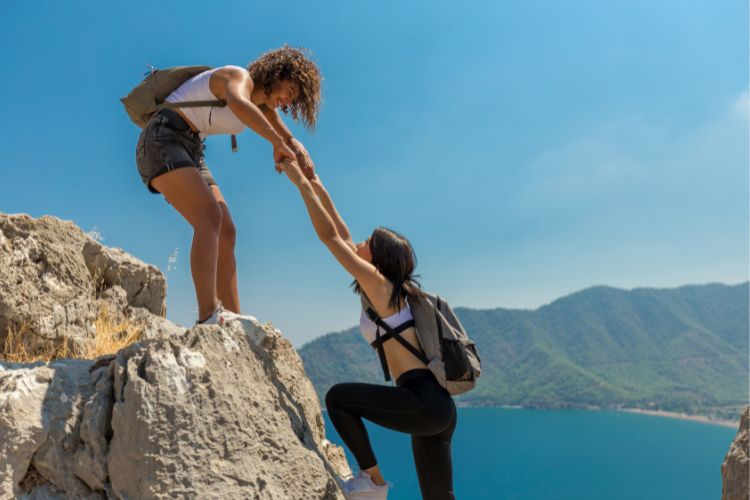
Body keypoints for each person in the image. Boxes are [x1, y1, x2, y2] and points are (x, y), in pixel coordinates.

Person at [278, 158, 458, 500]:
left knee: (338, 400)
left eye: (366, 243)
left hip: (422, 399)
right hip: (439, 407)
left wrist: (298, 183)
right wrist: (316, 181)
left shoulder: (381, 287)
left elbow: (331, 237)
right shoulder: (391, 293)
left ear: (376, 260)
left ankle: (373, 483)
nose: (356, 243)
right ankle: (373, 485)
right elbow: (342, 233)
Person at [135, 46, 322, 325]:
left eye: (292, 100)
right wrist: (277, 143)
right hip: (163, 137)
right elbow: (238, 103)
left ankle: (233, 319)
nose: (285, 102)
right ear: (276, 74)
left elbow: (284, 134)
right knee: (209, 216)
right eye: (289, 91)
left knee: (227, 230)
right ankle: (209, 316)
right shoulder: (239, 77)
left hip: (191, 148)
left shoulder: (263, 107)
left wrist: (294, 145)